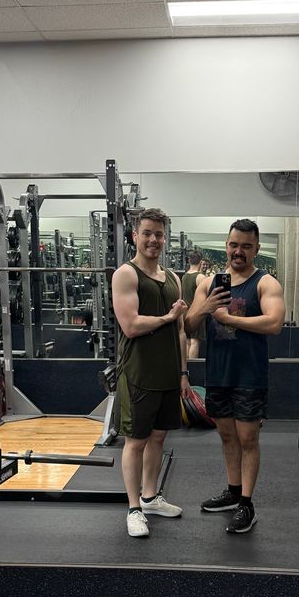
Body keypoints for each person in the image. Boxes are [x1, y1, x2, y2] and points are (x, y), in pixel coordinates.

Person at [184, 219, 285, 534]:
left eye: (246, 245)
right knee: (226, 436)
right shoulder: (209, 283)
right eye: (233, 244)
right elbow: (188, 326)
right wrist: (207, 308)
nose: (238, 251)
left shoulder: (265, 283)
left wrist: (230, 319)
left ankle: (247, 504)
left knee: (247, 439)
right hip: (218, 373)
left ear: (256, 248)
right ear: (226, 245)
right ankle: (232, 490)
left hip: (249, 376)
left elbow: (274, 324)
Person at [111, 208, 189, 539]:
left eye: (158, 234)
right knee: (136, 441)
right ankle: (133, 508)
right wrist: (167, 319)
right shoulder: (125, 275)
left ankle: (151, 496)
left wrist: (184, 372)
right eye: (147, 233)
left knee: (159, 437)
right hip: (138, 372)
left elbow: (182, 331)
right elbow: (130, 326)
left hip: (169, 373)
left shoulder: (172, 278)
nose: (153, 239)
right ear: (135, 236)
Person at [180, 251, 207, 360]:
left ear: (189, 261)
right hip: (196, 313)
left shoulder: (184, 276)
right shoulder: (200, 277)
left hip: (185, 313)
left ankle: (187, 368)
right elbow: (206, 297)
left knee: (187, 341)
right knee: (195, 342)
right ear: (200, 262)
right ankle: (192, 368)